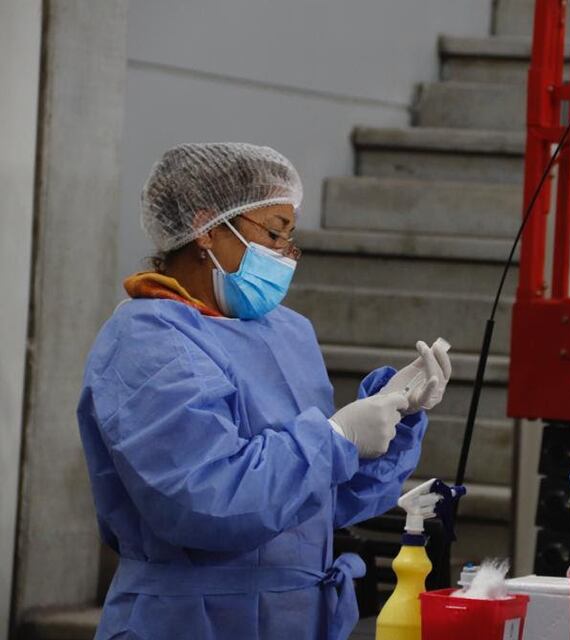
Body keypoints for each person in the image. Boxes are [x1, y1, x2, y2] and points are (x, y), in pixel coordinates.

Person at [77, 142, 451, 640]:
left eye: (290, 239)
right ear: (207, 228)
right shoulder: (148, 341)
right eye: (274, 233)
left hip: (297, 616)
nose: (285, 255)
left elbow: (319, 503)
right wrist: (334, 438)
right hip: (191, 620)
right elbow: (206, 501)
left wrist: (392, 417)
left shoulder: (285, 332)